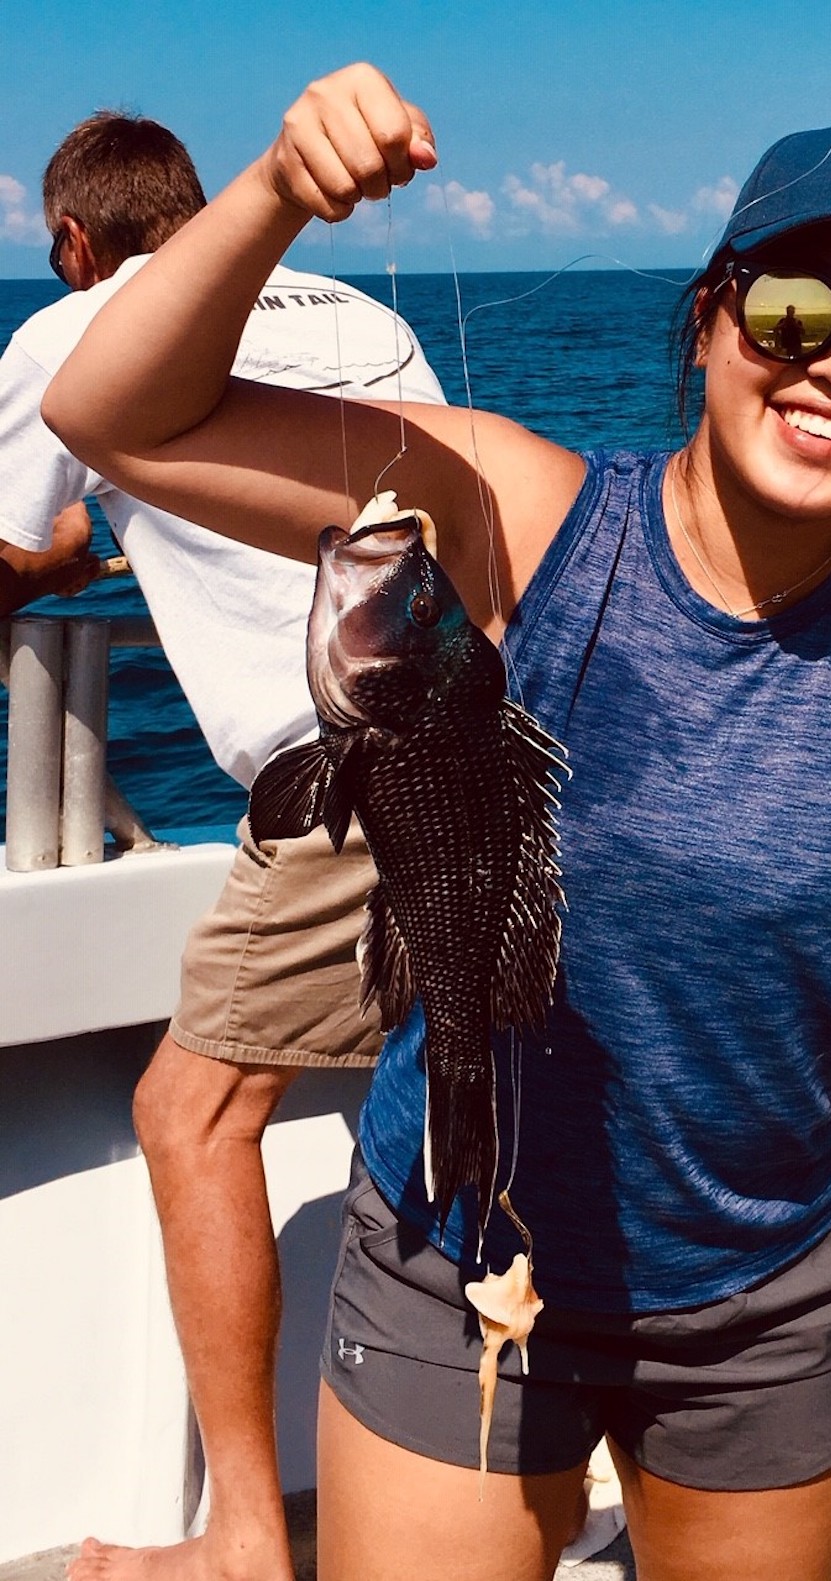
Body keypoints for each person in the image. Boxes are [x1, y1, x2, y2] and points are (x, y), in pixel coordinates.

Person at [44, 67, 831, 1581]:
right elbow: (111, 414)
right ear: (711, 317)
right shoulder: (524, 511)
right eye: (795, 310)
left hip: (762, 1308)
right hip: (451, 1254)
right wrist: (272, 194)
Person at [0, 109, 446, 1581]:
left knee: (190, 1114)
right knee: (484, 1102)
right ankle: (537, 1474)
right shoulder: (367, 315)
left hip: (346, 773)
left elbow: (10, 540)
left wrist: (58, 557)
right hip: (486, 742)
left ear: (75, 240)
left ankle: (247, 1537)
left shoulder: (69, 332)